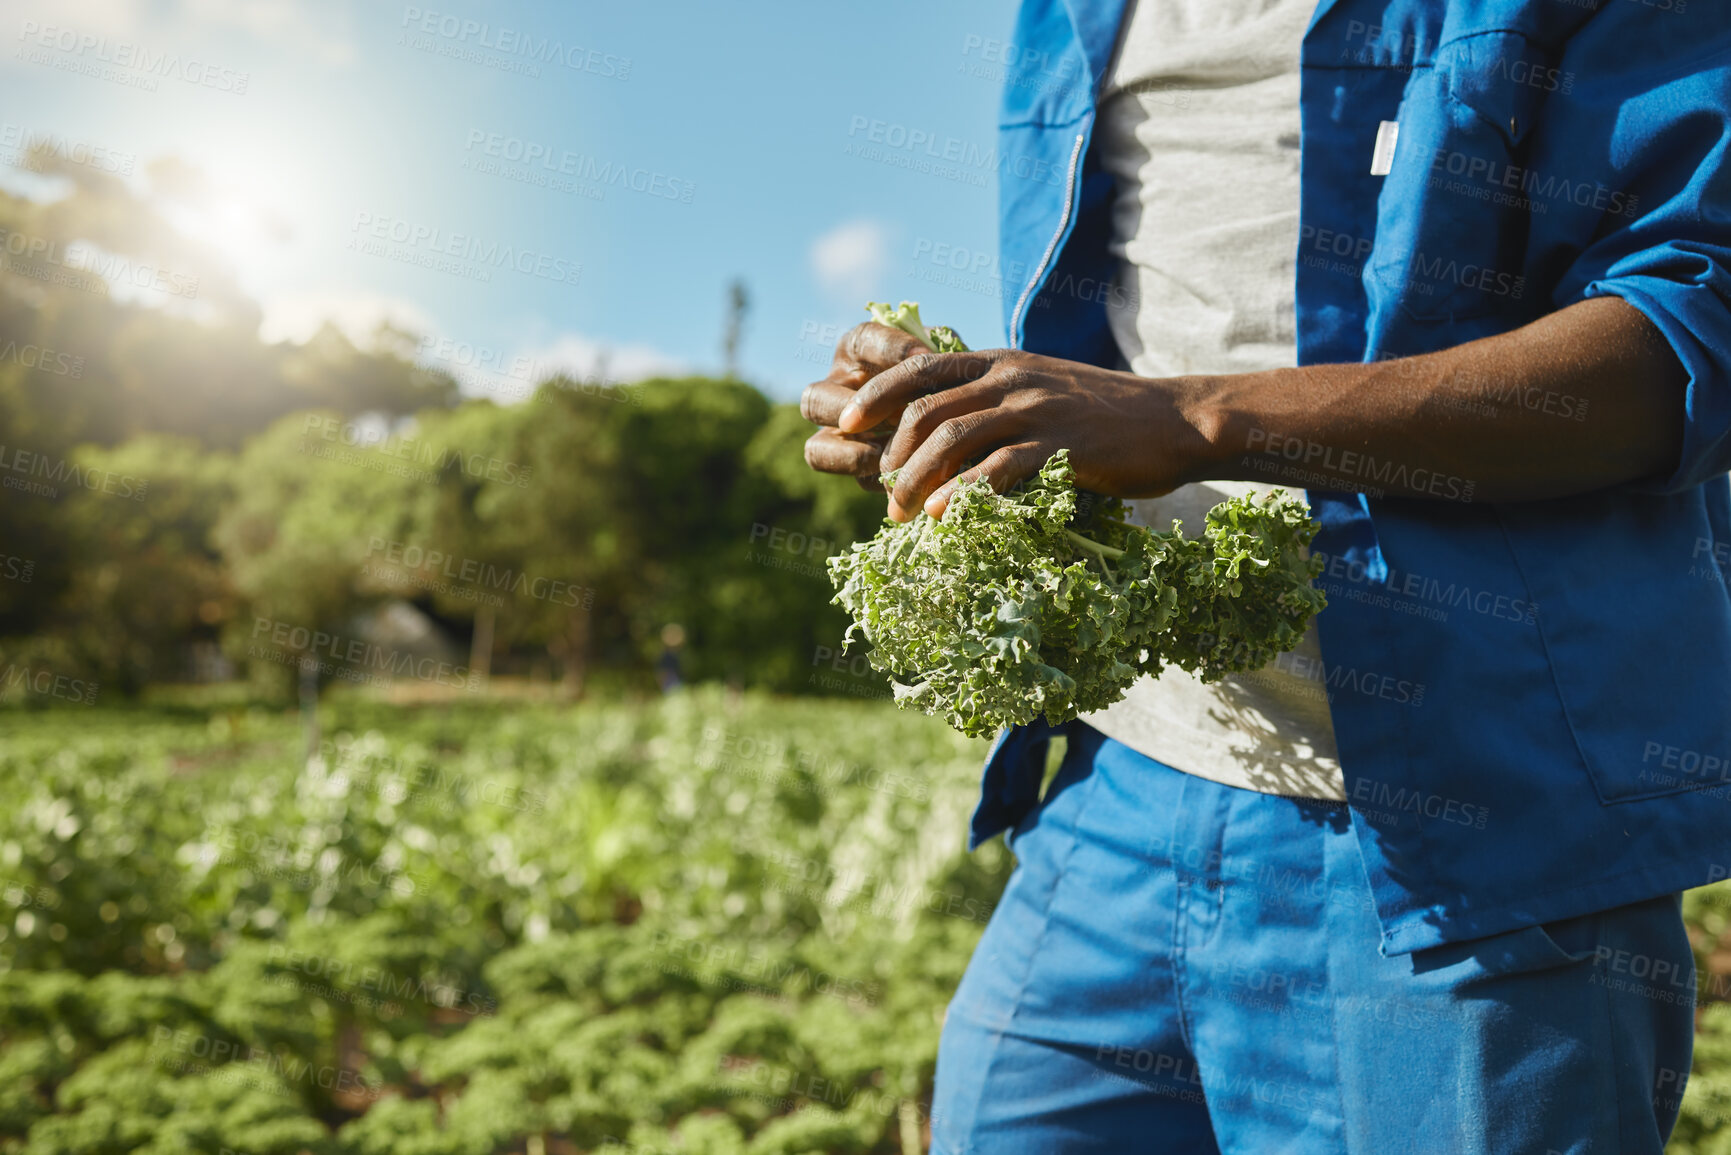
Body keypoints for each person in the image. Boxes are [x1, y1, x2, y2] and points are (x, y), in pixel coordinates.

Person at [801, 1, 1731, 1151]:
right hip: (1122, 790)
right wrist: (959, 424)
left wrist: (1195, 417)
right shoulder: (1070, 14)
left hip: (1473, 843)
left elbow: (1686, 333)